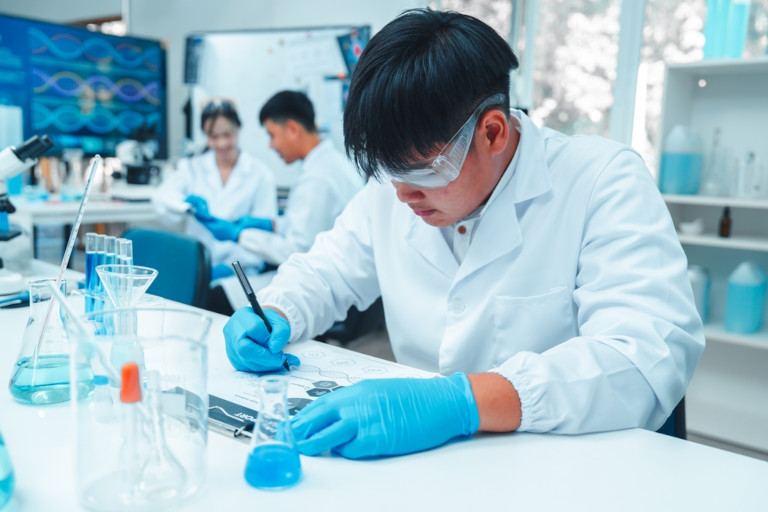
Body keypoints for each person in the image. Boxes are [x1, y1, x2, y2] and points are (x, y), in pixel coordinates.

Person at [222, 9, 705, 460]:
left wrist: (463, 402)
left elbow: (643, 358)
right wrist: (277, 310)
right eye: (389, 172)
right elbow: (326, 271)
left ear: (492, 133)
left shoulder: (602, 181)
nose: (403, 195)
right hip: (430, 462)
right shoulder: (396, 189)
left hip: (562, 460)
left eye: (421, 171)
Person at [198, 90, 363, 313]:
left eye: (272, 135)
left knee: (217, 295)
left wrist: (239, 234)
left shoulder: (318, 178)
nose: (271, 145)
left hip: (324, 283)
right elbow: (309, 227)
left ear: (292, 129)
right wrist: (271, 224)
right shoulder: (328, 164)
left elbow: (296, 250)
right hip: (330, 272)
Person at [152, 99, 277, 280]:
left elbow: (263, 236)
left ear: (238, 129)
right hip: (197, 266)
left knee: (224, 293)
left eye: (227, 134)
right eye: (213, 136)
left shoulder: (260, 174)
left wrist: (229, 268)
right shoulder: (192, 167)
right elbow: (161, 199)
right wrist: (187, 206)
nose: (221, 143)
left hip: (242, 271)